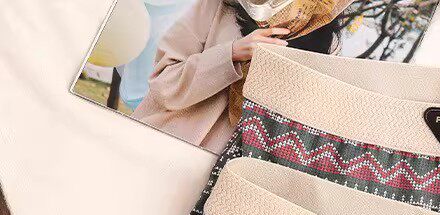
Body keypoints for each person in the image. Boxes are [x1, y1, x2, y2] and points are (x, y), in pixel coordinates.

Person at [133, 0, 346, 151]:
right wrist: (232, 53)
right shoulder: (217, 6)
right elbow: (164, 85)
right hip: (165, 150)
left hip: (233, 179)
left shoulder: (325, 39)